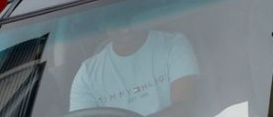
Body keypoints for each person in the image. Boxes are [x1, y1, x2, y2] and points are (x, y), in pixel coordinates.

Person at [70, 22, 199, 116]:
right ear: (103, 23)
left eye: (128, 11)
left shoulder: (173, 45)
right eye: (113, 16)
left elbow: (184, 109)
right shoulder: (87, 74)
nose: (123, 21)